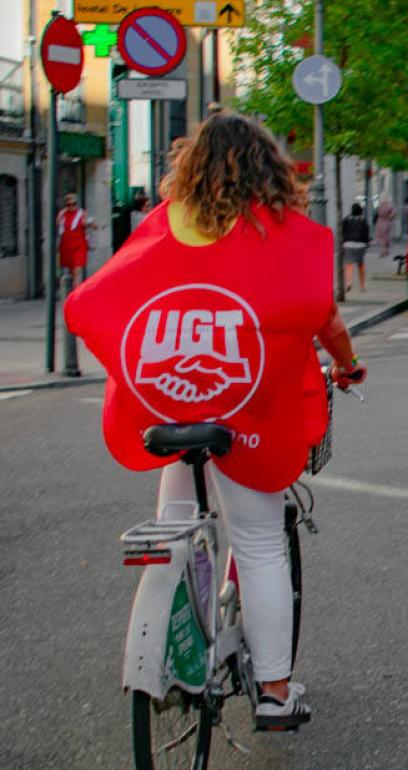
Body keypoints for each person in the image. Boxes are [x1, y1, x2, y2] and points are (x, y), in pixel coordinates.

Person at [65, 111, 367, 730]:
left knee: (174, 522)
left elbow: (93, 301)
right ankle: (276, 693)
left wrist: (136, 371)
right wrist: (347, 363)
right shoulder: (284, 235)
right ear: (269, 170)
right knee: (258, 546)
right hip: (244, 417)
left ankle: (176, 638)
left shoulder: (163, 227)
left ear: (191, 168)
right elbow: (320, 314)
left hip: (170, 408)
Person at [56, 193, 94, 285]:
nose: (72, 206)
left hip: (79, 246)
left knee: (77, 271)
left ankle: (76, 294)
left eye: (74, 203)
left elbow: (86, 223)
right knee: (71, 272)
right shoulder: (62, 214)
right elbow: (58, 226)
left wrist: (89, 224)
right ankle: (74, 290)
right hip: (66, 246)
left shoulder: (81, 213)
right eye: (69, 204)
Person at [341, 203, 370, 292]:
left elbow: (342, 231)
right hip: (360, 245)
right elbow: (366, 232)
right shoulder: (363, 220)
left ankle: (348, 283)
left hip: (348, 244)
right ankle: (362, 286)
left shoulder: (346, 219)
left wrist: (343, 241)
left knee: (348, 265)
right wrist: (366, 243)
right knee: (360, 265)